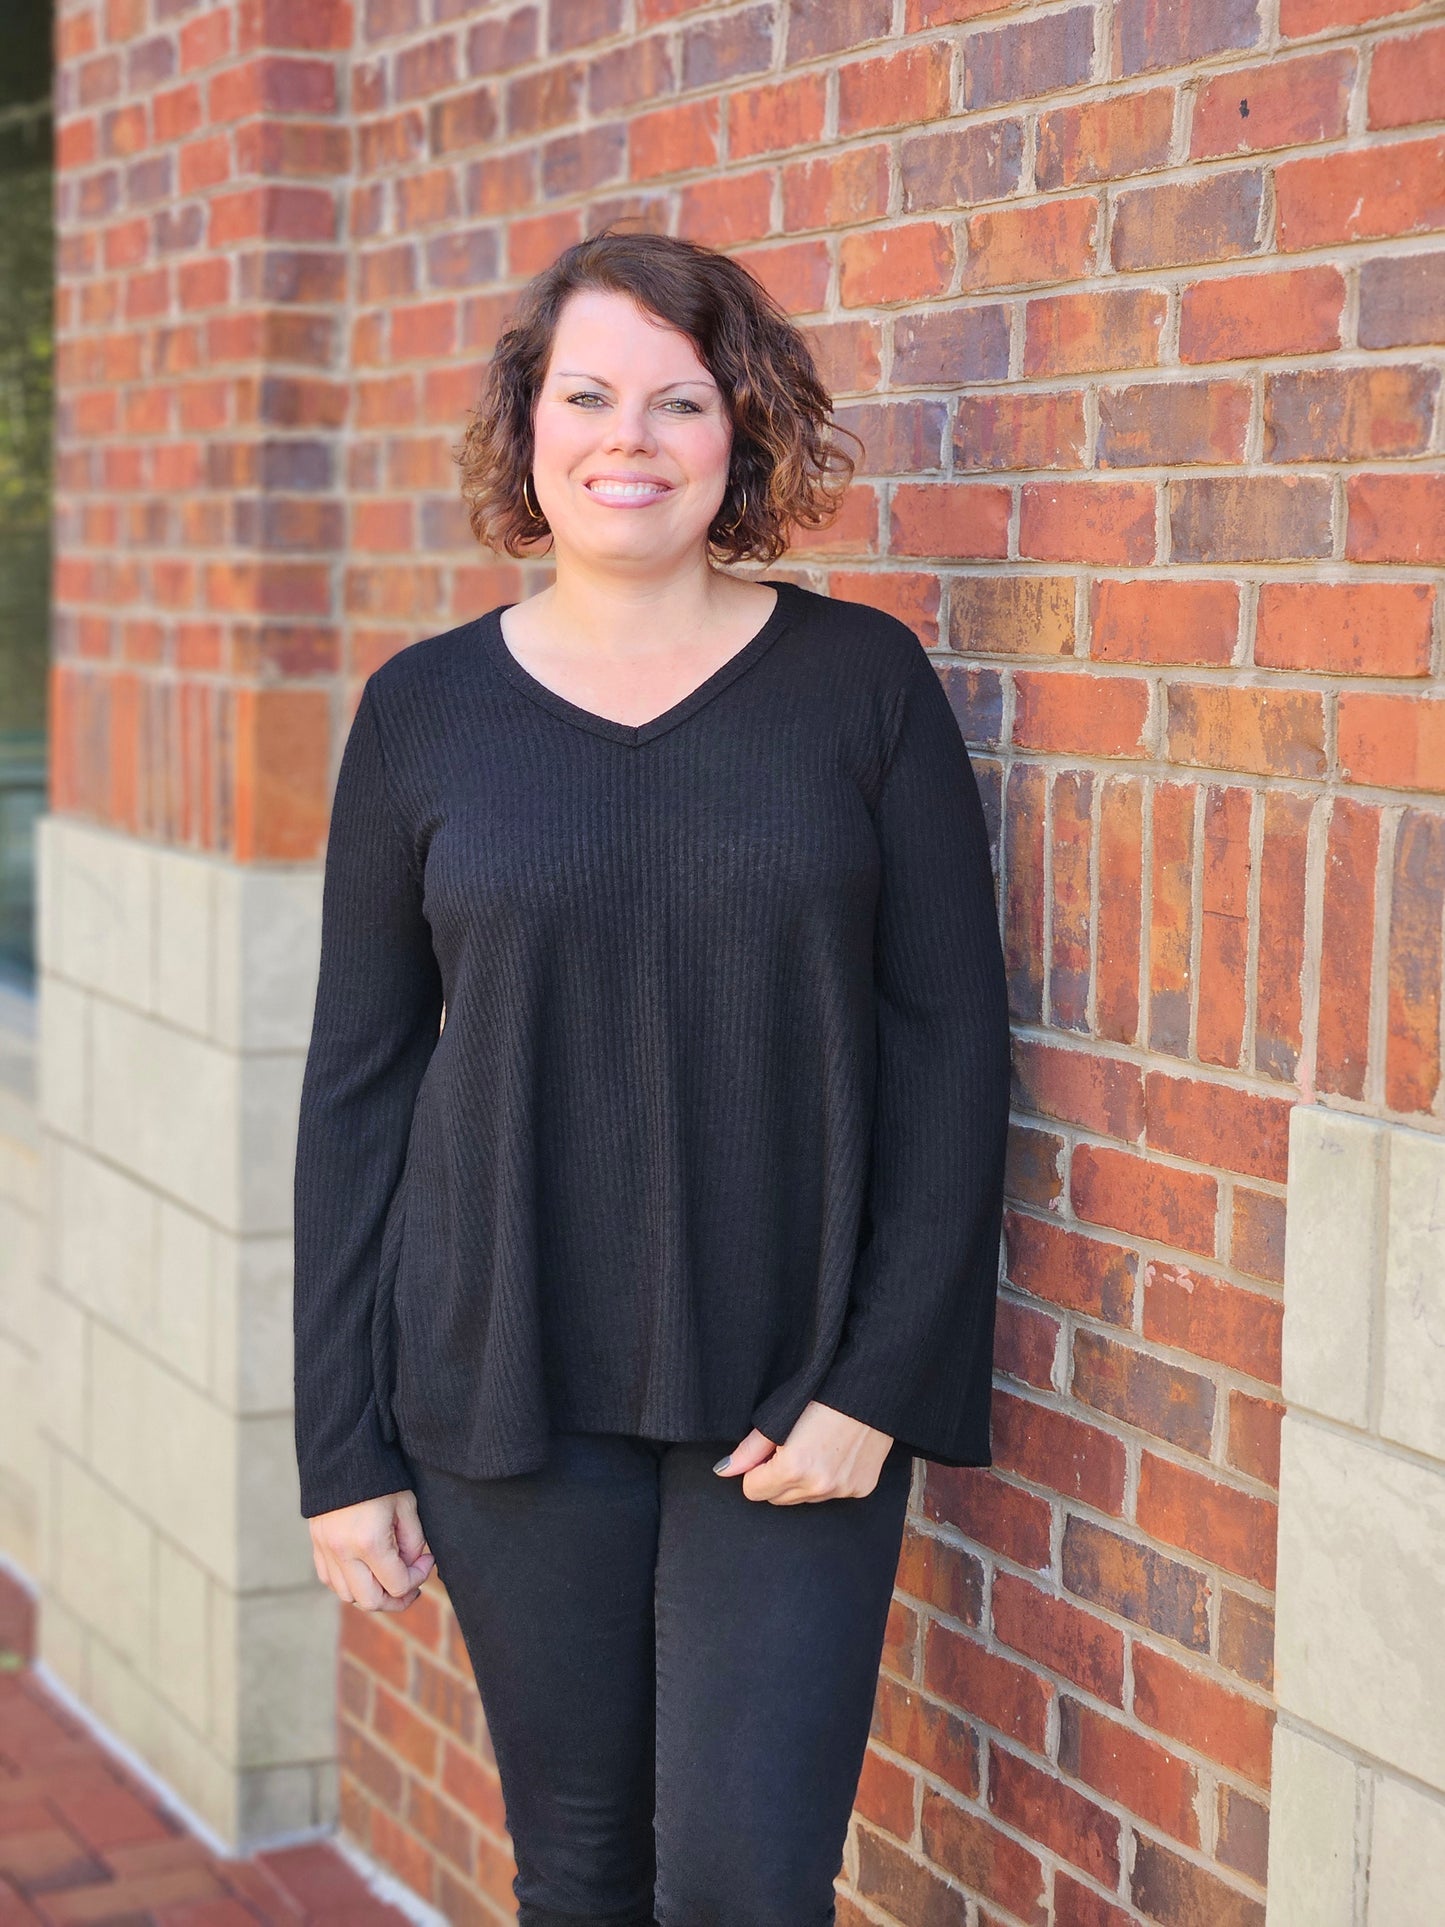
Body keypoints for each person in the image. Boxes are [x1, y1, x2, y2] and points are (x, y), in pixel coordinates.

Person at [293, 225, 1013, 1927]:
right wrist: (341, 1449)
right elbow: (358, 1089)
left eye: (680, 400)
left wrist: (878, 1386)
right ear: (530, 430)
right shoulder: (421, 714)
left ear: (739, 436)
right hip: (500, 1385)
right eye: (590, 394)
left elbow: (951, 1047)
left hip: (795, 1400)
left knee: (748, 1889)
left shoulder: (860, 688)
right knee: (582, 1874)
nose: (630, 436)